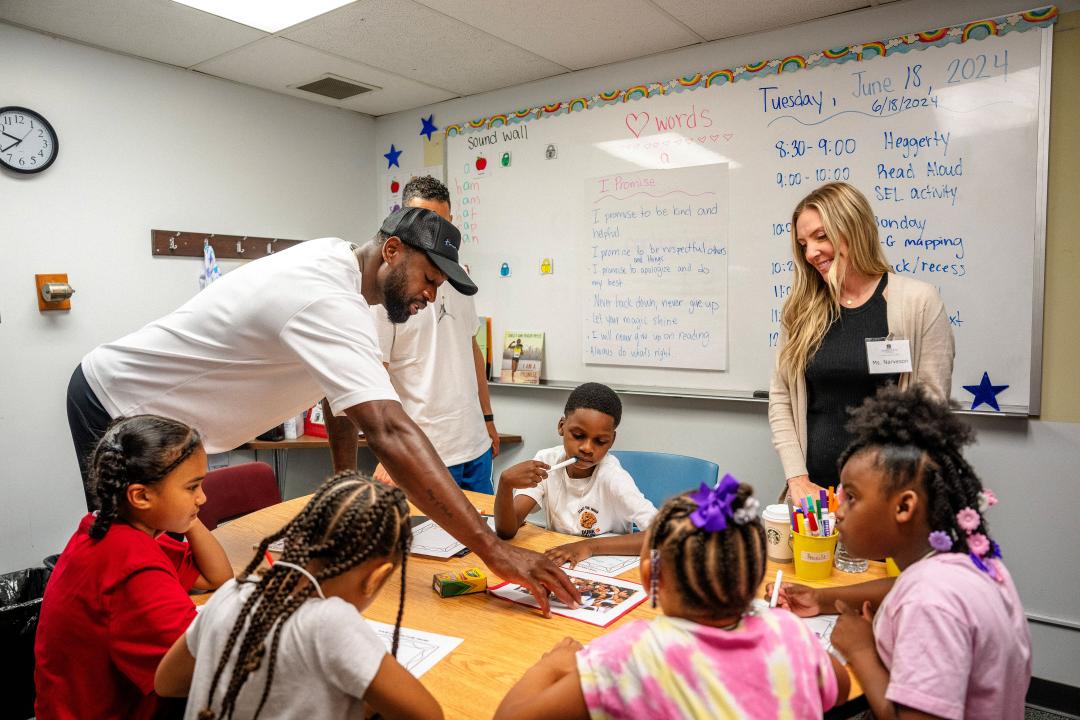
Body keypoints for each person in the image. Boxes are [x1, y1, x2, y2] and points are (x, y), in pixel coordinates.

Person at [67, 207, 578, 613]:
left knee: (172, 566)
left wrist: (343, 493)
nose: (429, 295)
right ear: (392, 251)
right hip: (118, 404)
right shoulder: (324, 297)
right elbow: (389, 431)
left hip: (166, 419)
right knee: (129, 566)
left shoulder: (346, 279)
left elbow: (341, 399)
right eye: (428, 279)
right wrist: (495, 550)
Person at [769, 386, 1030, 720]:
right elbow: (899, 586)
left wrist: (862, 651)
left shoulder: (929, 605)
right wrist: (821, 598)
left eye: (851, 497)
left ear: (904, 506)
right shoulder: (970, 566)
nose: (837, 512)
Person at [493, 477, 848, 720]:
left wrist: (554, 663)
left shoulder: (628, 657)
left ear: (649, 578)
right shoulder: (790, 632)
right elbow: (839, 687)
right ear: (758, 578)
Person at [155, 472, 443, 720]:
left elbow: (166, 683)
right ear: (376, 578)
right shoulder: (330, 623)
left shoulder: (233, 594)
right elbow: (429, 715)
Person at [35, 415, 232, 720]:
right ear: (141, 496)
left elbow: (216, 577)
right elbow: (204, 670)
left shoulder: (107, 529)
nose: (203, 497)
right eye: (192, 487)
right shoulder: (133, 565)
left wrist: (188, 518)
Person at [769, 182, 954, 502]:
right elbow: (781, 398)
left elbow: (930, 410)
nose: (810, 253)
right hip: (814, 500)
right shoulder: (800, 310)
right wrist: (797, 478)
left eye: (821, 236)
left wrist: (889, 491)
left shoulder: (917, 302)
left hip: (884, 499)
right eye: (803, 243)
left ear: (853, 228)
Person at [369, 176, 499, 493]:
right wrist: (389, 452)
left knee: (484, 537)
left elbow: (471, 348)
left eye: (440, 223)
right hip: (423, 451)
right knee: (429, 542)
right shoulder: (388, 288)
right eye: (422, 222)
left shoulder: (460, 277)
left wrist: (488, 418)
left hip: (474, 446)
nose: (433, 235)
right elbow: (376, 374)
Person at [494, 383, 656, 566]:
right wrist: (505, 484)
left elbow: (662, 536)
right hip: (560, 563)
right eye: (578, 435)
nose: (587, 448)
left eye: (600, 441)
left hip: (606, 569)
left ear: (612, 440)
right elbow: (506, 531)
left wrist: (588, 547)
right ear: (562, 426)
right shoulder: (547, 461)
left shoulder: (613, 477)